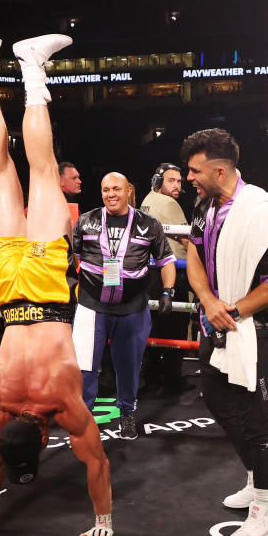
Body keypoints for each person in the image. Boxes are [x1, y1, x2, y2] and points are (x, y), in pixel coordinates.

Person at [0, 34, 113, 536]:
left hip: (43, 288)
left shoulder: (61, 403)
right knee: (1, 174)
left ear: (45, 438)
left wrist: (103, 522)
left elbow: (98, 462)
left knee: (41, 171)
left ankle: (30, 67)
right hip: (8, 293)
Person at [184, 128, 268, 536]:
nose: (189, 177)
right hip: (215, 322)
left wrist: (233, 310)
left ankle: (266, 510)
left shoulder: (262, 212)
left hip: (250, 329)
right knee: (217, 400)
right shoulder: (206, 206)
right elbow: (192, 252)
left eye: (194, 170)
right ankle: (263, 482)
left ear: (219, 170)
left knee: (255, 419)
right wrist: (209, 302)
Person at [72, 172, 176, 438]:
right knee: (84, 368)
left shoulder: (148, 223)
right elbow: (74, 254)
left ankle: (127, 414)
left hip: (132, 308)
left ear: (128, 190)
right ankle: (83, 422)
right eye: (105, 189)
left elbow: (166, 261)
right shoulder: (87, 221)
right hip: (91, 306)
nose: (110, 194)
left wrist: (167, 292)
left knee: (129, 366)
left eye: (116, 188)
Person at [140, 163, 192, 398]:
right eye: (172, 181)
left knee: (152, 327)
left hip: (150, 273)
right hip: (171, 274)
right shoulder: (169, 203)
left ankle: (151, 377)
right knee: (175, 327)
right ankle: (172, 381)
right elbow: (186, 240)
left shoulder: (147, 199)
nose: (178, 186)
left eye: (180, 181)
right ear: (158, 181)